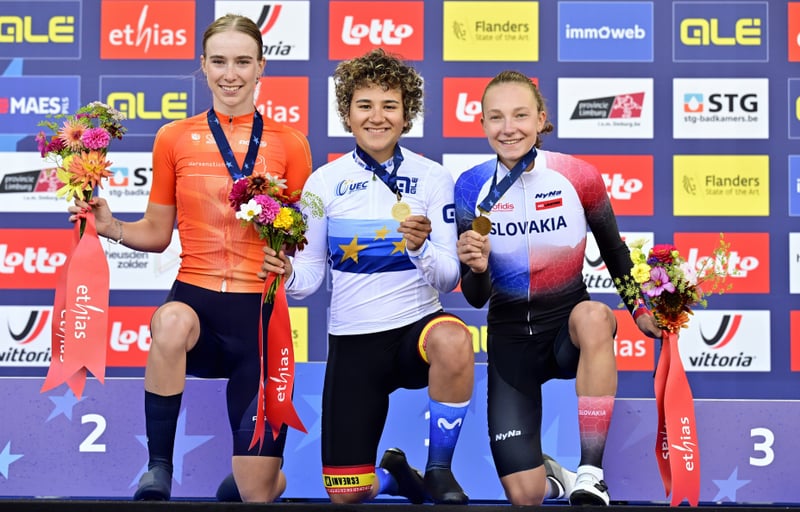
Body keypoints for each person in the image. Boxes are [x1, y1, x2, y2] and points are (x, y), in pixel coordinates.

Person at [68, 14, 312, 502]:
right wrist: (112, 227)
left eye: (242, 62)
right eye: (219, 61)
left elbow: (302, 239)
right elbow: (158, 234)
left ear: (261, 67)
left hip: (259, 323)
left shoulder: (290, 144)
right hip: (196, 307)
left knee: (257, 493)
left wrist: (288, 262)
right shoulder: (174, 137)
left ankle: (257, 478)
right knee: (170, 321)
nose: (230, 74)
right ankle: (158, 466)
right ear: (203, 65)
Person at [261, 48, 474, 505]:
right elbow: (310, 277)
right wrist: (288, 272)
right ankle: (395, 477)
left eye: (390, 105)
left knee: (454, 339)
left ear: (406, 115)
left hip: (416, 330)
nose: (377, 117)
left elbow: (448, 278)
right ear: (347, 114)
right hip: (354, 341)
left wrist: (419, 248)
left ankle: (439, 470)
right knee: (347, 494)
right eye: (365, 105)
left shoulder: (433, 177)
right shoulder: (322, 183)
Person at [453, 70, 662, 507]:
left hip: (566, 331)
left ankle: (591, 474)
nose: (508, 128)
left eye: (520, 115)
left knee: (595, 316)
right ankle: (558, 478)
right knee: (525, 495)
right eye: (496, 117)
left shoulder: (578, 176)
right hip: (510, 343)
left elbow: (614, 251)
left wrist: (641, 310)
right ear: (482, 123)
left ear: (541, 118)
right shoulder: (470, 186)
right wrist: (477, 268)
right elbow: (475, 295)